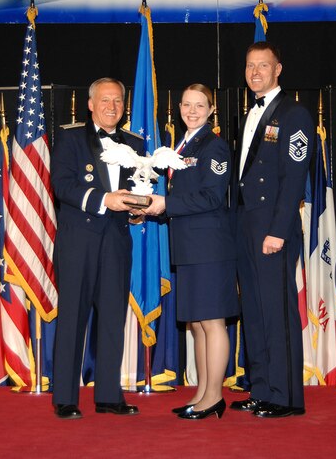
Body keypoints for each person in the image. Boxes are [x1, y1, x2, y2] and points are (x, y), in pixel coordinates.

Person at [50, 77, 145, 419]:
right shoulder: (71, 138)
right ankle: (64, 397)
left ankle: (108, 395)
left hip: (116, 241)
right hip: (79, 241)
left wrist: (137, 209)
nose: (111, 107)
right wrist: (105, 199)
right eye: (105, 101)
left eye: (118, 101)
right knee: (73, 317)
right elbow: (62, 185)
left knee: (112, 320)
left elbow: (138, 187)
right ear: (90, 104)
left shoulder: (135, 142)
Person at [142, 84, 237, 420]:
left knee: (213, 323)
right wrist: (151, 205)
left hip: (209, 247)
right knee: (196, 325)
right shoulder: (182, 146)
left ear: (211, 110)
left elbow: (212, 197)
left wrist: (165, 203)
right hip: (188, 246)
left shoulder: (214, 146)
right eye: (187, 104)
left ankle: (214, 397)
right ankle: (201, 393)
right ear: (179, 106)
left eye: (200, 106)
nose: (193, 111)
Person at [230, 41, 312, 418]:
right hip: (246, 225)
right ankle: (261, 388)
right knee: (255, 310)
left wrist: (278, 230)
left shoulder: (294, 114)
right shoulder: (248, 114)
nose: (256, 73)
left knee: (276, 312)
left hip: (273, 227)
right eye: (250, 66)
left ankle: (284, 396)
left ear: (279, 69)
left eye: (263, 66)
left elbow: (293, 178)